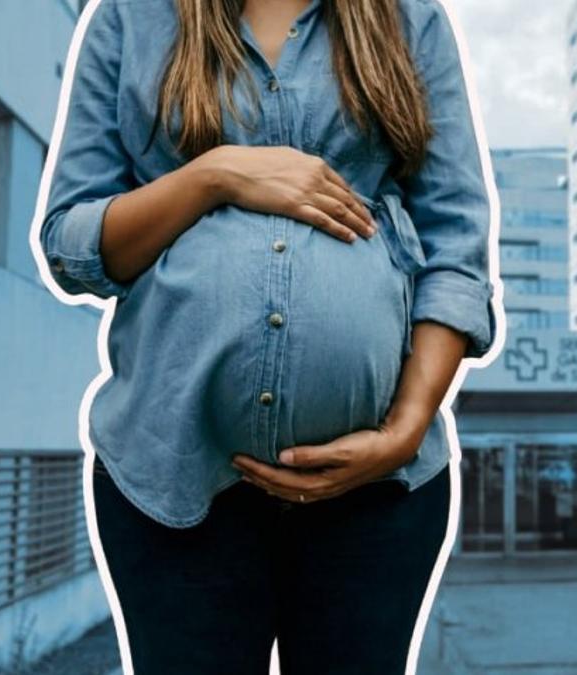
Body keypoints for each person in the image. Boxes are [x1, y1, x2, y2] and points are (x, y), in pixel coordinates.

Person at [33, 0, 500, 672]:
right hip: (172, 481)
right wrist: (214, 175)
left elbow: (456, 246)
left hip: (379, 493)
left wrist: (404, 429)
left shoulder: (409, 20)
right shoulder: (131, 21)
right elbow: (71, 243)